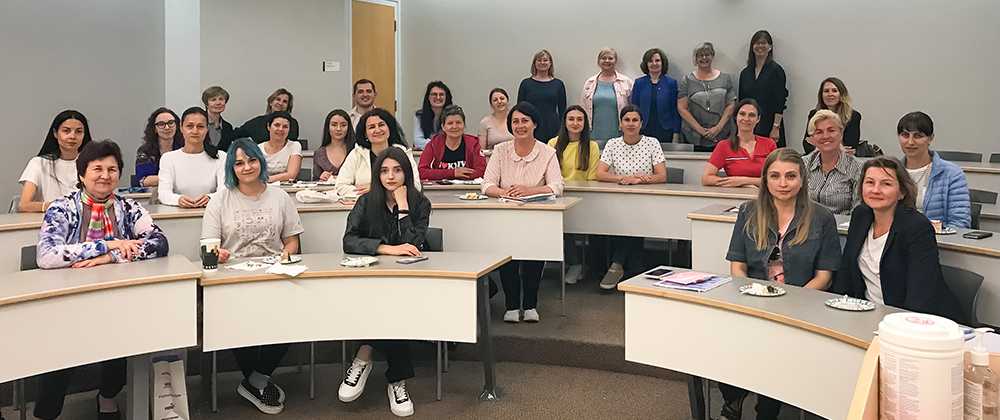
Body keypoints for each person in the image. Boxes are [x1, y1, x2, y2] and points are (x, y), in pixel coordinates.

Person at [34, 139, 168, 420]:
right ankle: (46, 413)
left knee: (121, 344)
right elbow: (46, 255)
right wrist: (107, 245)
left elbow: (159, 241)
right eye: (97, 169)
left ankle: (107, 395)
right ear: (82, 175)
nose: (105, 176)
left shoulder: (128, 207)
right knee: (58, 354)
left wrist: (114, 257)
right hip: (68, 301)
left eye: (112, 169)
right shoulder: (61, 208)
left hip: (118, 299)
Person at [722, 148, 840, 420]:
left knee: (776, 350)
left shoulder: (822, 217)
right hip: (754, 299)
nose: (783, 183)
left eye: (790, 176)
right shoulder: (749, 211)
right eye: (775, 176)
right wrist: (749, 296)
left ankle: (766, 410)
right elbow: (738, 264)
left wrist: (792, 301)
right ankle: (734, 397)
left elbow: (825, 276)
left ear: (802, 180)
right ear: (765, 179)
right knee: (727, 343)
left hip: (802, 304)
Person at [201, 138, 304, 415]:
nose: (247, 167)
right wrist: (217, 253)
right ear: (231, 169)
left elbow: (292, 242)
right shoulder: (219, 201)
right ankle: (258, 381)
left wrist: (287, 253)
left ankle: (254, 380)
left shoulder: (280, 197)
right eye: (239, 163)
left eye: (252, 160)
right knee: (237, 321)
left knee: (295, 316)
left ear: (261, 161)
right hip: (233, 279)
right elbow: (208, 246)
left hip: (274, 274)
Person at [340, 147, 431, 418]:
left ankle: (365, 353)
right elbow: (349, 240)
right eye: (384, 170)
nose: (390, 176)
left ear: (407, 172)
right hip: (371, 278)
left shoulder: (420, 203)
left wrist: (403, 206)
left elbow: (414, 243)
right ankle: (396, 379)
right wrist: (386, 249)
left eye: (397, 170)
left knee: (397, 303)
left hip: (408, 280)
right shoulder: (366, 202)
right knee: (389, 304)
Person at [833, 156, 963, 322]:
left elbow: (920, 295)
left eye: (886, 184)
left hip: (914, 322)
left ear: (902, 192)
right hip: (870, 314)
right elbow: (846, 271)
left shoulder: (916, 227)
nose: (876, 190)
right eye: (870, 182)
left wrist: (896, 326)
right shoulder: (861, 216)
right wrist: (838, 313)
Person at [482, 102, 564, 323]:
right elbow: (487, 184)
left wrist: (531, 190)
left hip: (536, 216)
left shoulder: (547, 152)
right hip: (506, 215)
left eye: (525, 121)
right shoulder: (500, 151)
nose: (520, 126)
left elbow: (557, 186)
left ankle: (530, 304)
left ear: (534, 124)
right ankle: (510, 305)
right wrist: (503, 192)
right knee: (509, 260)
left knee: (532, 260)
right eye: (515, 121)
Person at [595, 104, 667, 289]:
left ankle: (617, 263)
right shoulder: (613, 143)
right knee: (629, 222)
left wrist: (640, 180)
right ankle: (634, 270)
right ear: (620, 124)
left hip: (647, 201)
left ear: (641, 123)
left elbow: (662, 176)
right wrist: (624, 178)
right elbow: (601, 174)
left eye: (635, 120)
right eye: (626, 120)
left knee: (633, 221)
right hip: (619, 200)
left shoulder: (652, 143)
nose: (631, 124)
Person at [548, 105, 601, 285]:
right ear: (564, 122)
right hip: (557, 195)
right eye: (571, 119)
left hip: (584, 197)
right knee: (563, 222)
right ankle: (574, 263)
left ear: (585, 123)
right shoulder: (552, 144)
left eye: (580, 119)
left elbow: (592, 177)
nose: (575, 123)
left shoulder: (591, 146)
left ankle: (578, 264)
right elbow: (549, 175)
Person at [896, 111, 971, 228]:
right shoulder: (892, 172)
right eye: (905, 135)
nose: (910, 142)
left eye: (918, 136)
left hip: (936, 241)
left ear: (930, 138)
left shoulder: (952, 174)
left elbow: (960, 222)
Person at [19, 110, 93, 213]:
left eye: (78, 132)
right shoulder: (39, 163)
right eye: (66, 131)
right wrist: (57, 206)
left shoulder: (93, 164)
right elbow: (24, 205)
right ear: (55, 133)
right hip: (49, 223)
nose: (72, 136)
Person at [336, 108, 420, 198]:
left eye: (381, 125)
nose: (378, 130)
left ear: (389, 129)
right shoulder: (357, 154)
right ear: (365, 134)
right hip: (366, 207)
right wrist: (371, 195)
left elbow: (415, 186)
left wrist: (376, 189)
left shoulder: (403, 152)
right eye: (371, 127)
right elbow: (340, 186)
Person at [157, 107, 226, 207]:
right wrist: (178, 200)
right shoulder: (168, 159)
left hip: (212, 212)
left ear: (207, 129)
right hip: (178, 214)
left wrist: (211, 198)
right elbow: (163, 193)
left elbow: (224, 190)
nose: (195, 131)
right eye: (189, 126)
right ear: (181, 128)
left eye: (200, 126)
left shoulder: (221, 157)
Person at [701, 99, 777, 187]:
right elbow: (706, 178)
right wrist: (731, 182)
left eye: (752, 115)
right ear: (736, 117)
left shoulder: (769, 144)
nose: (746, 119)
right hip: (736, 197)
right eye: (742, 114)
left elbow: (776, 179)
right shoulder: (724, 146)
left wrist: (743, 180)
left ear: (758, 119)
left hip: (766, 197)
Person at [678, 42, 737, 152]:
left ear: (713, 56)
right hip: (694, 136)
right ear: (695, 59)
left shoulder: (725, 78)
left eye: (707, 54)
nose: (704, 58)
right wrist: (700, 130)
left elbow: (731, 105)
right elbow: (682, 108)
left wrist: (718, 128)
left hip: (722, 135)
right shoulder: (686, 80)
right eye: (700, 55)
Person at [802, 110, 862, 215]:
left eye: (831, 130)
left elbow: (858, 212)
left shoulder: (857, 167)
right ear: (812, 138)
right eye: (819, 132)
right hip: (807, 227)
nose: (825, 136)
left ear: (841, 134)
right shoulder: (803, 164)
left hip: (841, 229)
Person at [739, 30, 788, 147]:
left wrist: (776, 127)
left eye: (763, 43)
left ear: (770, 47)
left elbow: (779, 102)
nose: (760, 46)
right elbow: (741, 102)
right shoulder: (745, 73)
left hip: (770, 124)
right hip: (749, 124)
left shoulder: (776, 71)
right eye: (756, 43)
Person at [417, 105, 487, 180]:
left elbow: (481, 171)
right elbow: (422, 172)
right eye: (450, 123)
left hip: (467, 189)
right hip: (439, 189)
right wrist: (453, 173)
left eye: (458, 123)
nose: (454, 126)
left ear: (464, 125)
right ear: (443, 127)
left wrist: (453, 176)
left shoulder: (473, 144)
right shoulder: (434, 144)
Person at [581, 48, 633, 145]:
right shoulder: (590, 83)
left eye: (610, 58)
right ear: (598, 61)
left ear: (615, 61)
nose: (607, 61)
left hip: (619, 133)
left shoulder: (626, 82)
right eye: (603, 58)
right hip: (593, 134)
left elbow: (632, 109)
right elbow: (583, 109)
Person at [631, 48, 680, 143]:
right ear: (646, 64)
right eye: (650, 61)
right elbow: (634, 109)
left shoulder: (671, 83)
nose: (654, 64)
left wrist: (676, 134)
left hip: (665, 130)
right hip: (643, 130)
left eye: (657, 60)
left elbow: (675, 111)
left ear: (663, 63)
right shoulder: (639, 83)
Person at [802, 77, 861, 154]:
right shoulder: (814, 114)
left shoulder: (853, 116)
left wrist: (819, 144)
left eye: (834, 91)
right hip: (818, 159)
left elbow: (850, 146)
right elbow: (807, 145)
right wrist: (838, 145)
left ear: (841, 95)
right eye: (826, 91)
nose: (830, 94)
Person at [518, 50, 567, 141]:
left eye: (545, 60)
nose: (542, 63)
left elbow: (562, 110)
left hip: (552, 126)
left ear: (550, 63)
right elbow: (520, 109)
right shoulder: (526, 84)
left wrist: (562, 130)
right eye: (539, 60)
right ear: (534, 63)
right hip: (531, 125)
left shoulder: (558, 84)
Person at [135, 107, 184, 187]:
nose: (167, 127)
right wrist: (176, 179)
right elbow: (145, 180)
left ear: (177, 125)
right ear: (154, 129)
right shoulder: (146, 152)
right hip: (153, 196)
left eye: (171, 123)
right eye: (161, 124)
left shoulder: (184, 148)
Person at [234, 88, 300, 143]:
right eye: (278, 99)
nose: (280, 103)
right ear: (271, 102)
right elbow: (236, 134)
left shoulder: (292, 123)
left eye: (285, 101)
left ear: (288, 106)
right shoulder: (257, 122)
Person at [260, 111, 303, 182]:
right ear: (269, 127)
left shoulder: (294, 146)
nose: (281, 129)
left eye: (285, 127)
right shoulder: (258, 148)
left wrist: (266, 179)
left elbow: (291, 175)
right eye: (277, 125)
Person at [314, 109, 356, 181]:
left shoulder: (356, 151)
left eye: (343, 125)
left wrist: (341, 179)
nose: (338, 129)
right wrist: (321, 179)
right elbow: (314, 181)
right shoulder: (319, 153)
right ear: (328, 127)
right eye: (334, 125)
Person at [413, 81, 453, 150]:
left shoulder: (452, 116)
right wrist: (441, 144)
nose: (438, 97)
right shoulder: (419, 116)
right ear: (428, 97)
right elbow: (418, 142)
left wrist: (429, 144)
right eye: (434, 94)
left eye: (441, 94)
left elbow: (453, 141)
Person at [479, 88, 515, 153]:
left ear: (508, 101)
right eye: (495, 100)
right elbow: (481, 150)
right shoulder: (485, 122)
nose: (499, 101)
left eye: (502, 98)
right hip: (492, 160)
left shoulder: (516, 120)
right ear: (491, 105)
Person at [203, 86, 236, 150]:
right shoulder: (198, 123)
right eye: (213, 100)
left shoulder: (227, 127)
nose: (218, 103)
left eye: (221, 99)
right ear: (206, 104)